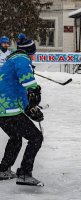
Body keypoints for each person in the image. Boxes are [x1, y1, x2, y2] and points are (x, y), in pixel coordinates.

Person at [0, 38, 44, 186]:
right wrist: (34, 88)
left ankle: (3, 169)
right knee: (36, 138)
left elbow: (19, 91)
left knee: (16, 137)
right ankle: (25, 174)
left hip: (4, 110)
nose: (33, 57)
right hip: (8, 110)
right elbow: (25, 76)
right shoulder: (21, 58)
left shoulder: (10, 62)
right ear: (30, 52)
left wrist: (29, 108)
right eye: (33, 53)